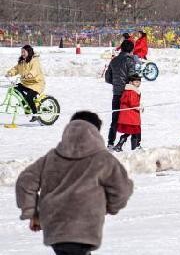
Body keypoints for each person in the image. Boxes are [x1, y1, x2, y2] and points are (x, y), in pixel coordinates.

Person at [15, 111, 134, 255]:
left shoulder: (52, 158)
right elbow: (122, 189)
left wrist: (33, 213)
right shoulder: (102, 159)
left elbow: (25, 182)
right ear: (95, 133)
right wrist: (111, 207)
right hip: (85, 229)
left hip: (55, 230)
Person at [104, 39, 135, 148]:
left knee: (115, 119)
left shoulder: (114, 60)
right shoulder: (130, 61)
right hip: (128, 94)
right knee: (132, 119)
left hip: (116, 94)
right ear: (131, 49)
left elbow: (107, 78)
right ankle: (129, 142)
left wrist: (116, 82)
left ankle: (110, 142)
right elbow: (133, 79)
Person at [6, 44, 45, 120]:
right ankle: (25, 103)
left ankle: (35, 114)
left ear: (29, 52)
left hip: (36, 83)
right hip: (26, 83)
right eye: (21, 52)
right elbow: (16, 69)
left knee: (29, 97)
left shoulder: (34, 61)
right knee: (15, 88)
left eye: (24, 52)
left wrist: (29, 75)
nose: (22, 53)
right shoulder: (22, 62)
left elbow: (35, 70)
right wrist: (10, 73)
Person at [112, 75, 143, 152]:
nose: (138, 83)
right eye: (136, 82)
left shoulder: (131, 90)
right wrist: (139, 106)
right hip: (130, 116)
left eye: (139, 81)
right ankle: (121, 145)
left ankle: (134, 147)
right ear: (130, 82)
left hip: (130, 115)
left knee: (133, 131)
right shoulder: (131, 91)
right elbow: (132, 103)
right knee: (133, 130)